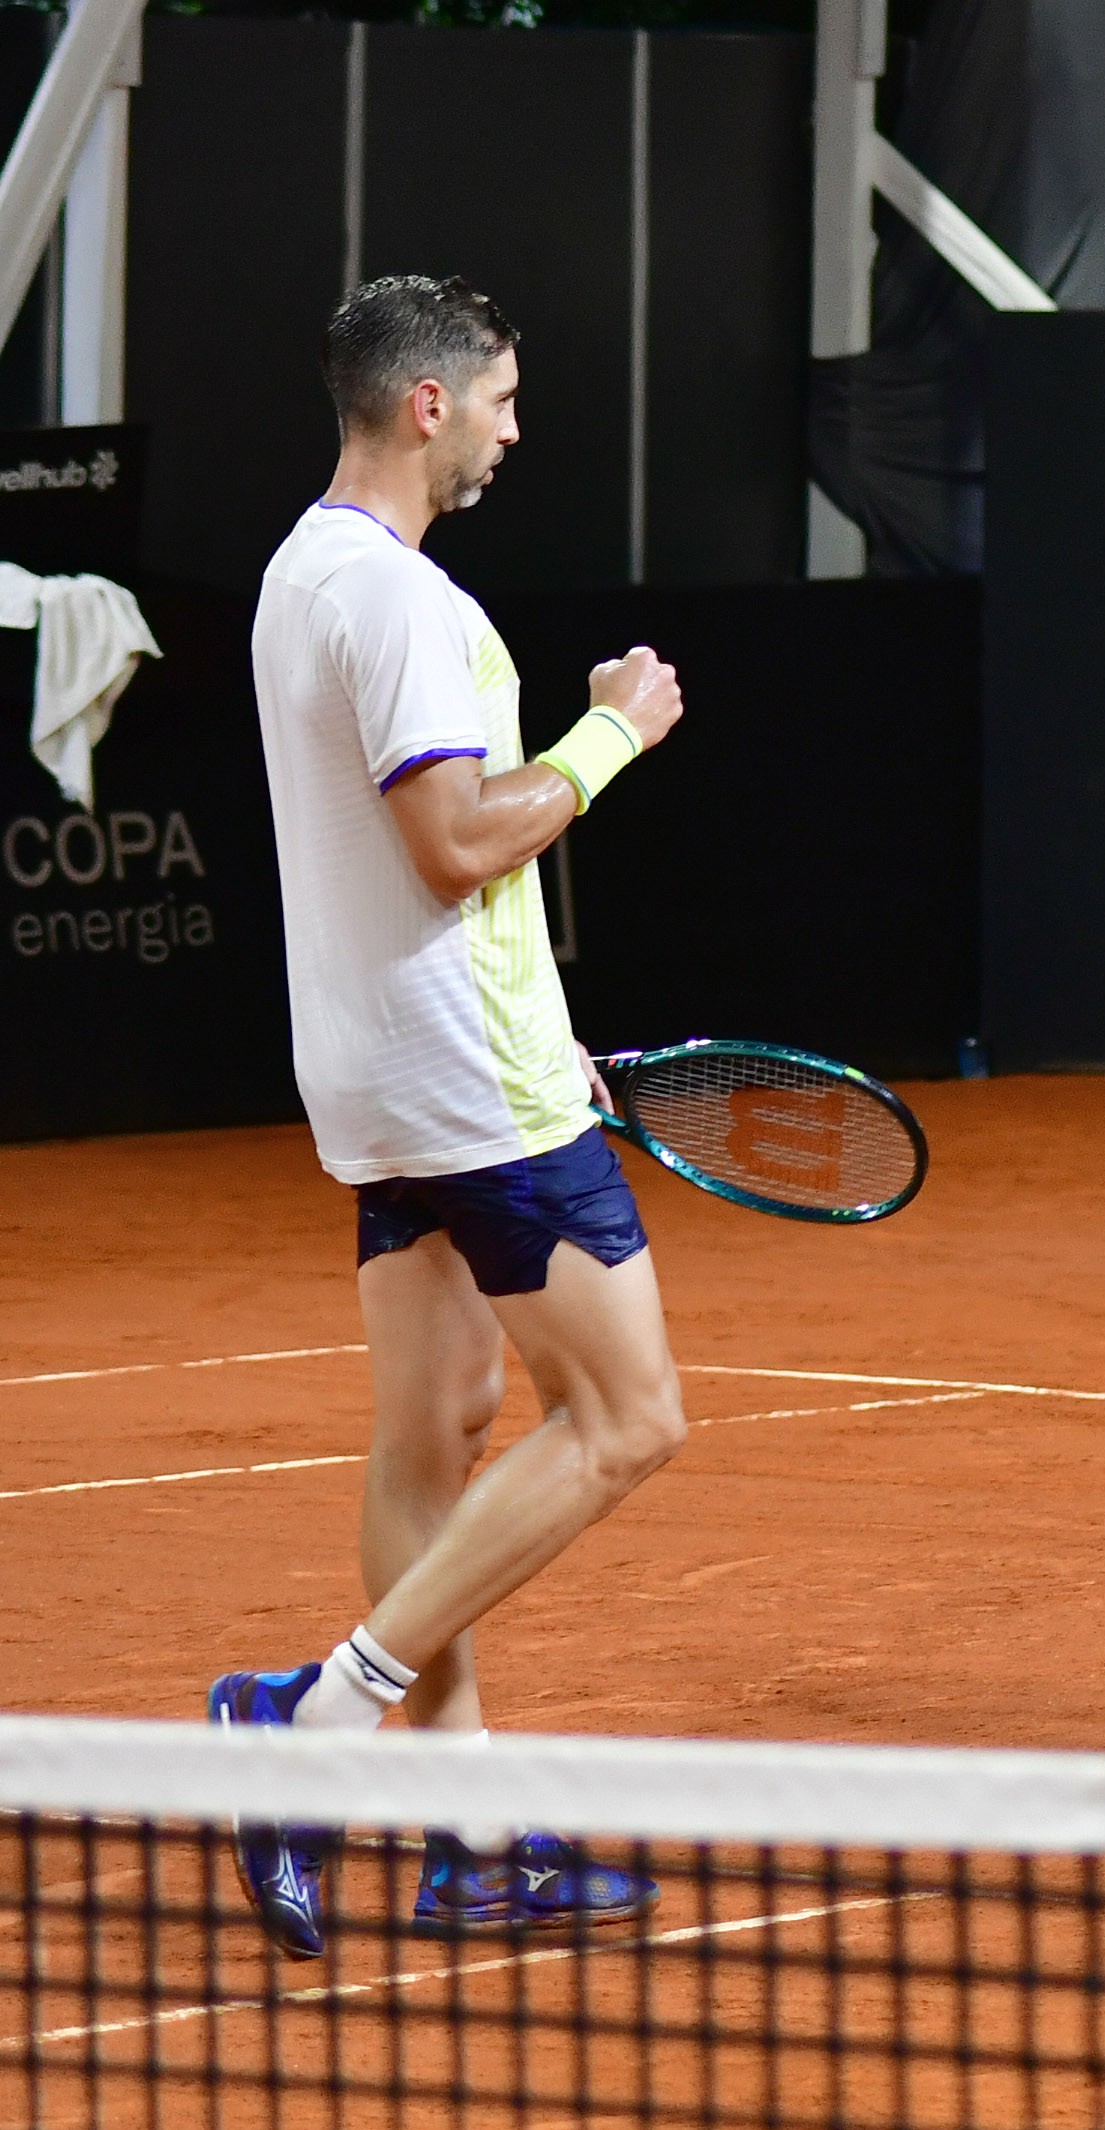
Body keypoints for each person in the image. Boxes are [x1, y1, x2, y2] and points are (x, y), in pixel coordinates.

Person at [215, 274, 690, 1956]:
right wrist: (613, 735)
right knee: (629, 1418)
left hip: (368, 1069)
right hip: (467, 1078)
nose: (510, 423)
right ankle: (314, 1720)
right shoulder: (403, 602)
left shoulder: (299, 573)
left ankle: (474, 1823)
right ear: (424, 405)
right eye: (497, 395)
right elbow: (457, 844)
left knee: (441, 1426)